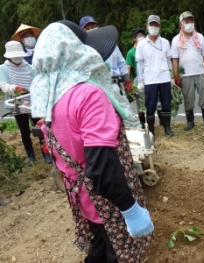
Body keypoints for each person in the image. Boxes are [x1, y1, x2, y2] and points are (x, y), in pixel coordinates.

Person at [30, 20, 154, 262]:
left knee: (100, 245)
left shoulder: (50, 98)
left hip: (84, 200)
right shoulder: (89, 95)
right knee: (118, 254)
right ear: (78, 52)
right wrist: (131, 210)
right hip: (109, 203)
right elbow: (101, 168)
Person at [80, 16, 141, 128]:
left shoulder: (110, 44)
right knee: (105, 119)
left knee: (128, 114)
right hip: (96, 89)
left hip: (114, 85)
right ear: (82, 31)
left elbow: (120, 63)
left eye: (93, 26)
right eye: (87, 28)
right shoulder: (83, 50)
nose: (91, 29)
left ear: (99, 27)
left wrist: (127, 81)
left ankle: (138, 140)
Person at [0, 41, 52, 165]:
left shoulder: (29, 67)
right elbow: (3, 85)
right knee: (24, 131)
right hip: (17, 104)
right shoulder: (3, 68)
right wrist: (15, 89)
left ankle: (46, 153)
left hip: (34, 103)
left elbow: (37, 82)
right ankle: (31, 156)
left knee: (39, 128)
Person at [171, 11, 204, 131]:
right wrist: (176, 75)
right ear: (181, 25)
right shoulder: (176, 40)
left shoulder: (199, 37)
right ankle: (190, 122)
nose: (190, 23)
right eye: (186, 21)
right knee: (188, 99)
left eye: (191, 21)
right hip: (185, 74)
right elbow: (175, 59)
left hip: (200, 72)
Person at [136, 15, 174, 136]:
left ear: (159, 27)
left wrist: (172, 76)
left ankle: (167, 128)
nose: (153, 27)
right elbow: (140, 63)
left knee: (166, 104)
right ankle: (151, 130)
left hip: (164, 78)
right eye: (151, 25)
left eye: (156, 25)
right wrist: (140, 80)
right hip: (150, 79)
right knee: (150, 106)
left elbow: (169, 60)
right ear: (147, 26)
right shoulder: (141, 44)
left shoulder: (165, 42)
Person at [126, 28, 147, 128]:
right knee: (140, 102)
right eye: (138, 35)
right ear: (134, 38)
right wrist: (128, 82)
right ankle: (142, 123)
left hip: (152, 77)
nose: (141, 37)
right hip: (139, 79)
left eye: (142, 35)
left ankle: (161, 121)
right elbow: (128, 67)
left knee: (155, 99)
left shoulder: (149, 47)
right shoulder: (131, 52)